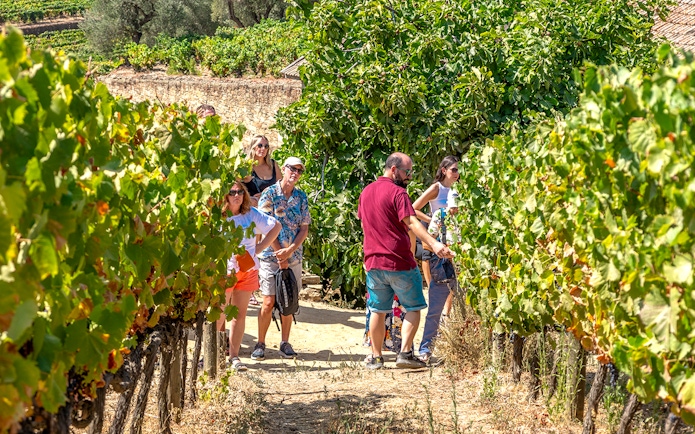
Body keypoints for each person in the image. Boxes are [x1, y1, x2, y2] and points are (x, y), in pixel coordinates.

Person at [358, 152, 454, 370]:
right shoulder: (398, 193)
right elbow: (412, 222)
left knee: (377, 310)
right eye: (407, 171)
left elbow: (364, 226)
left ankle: (376, 357)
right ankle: (405, 354)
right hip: (399, 260)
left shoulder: (366, 192)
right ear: (394, 170)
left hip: (373, 263)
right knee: (414, 307)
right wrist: (435, 243)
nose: (409, 176)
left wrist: (367, 254)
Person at [251, 156, 311, 360]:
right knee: (268, 301)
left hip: (293, 256)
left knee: (289, 302)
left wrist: (291, 249)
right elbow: (264, 226)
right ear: (283, 169)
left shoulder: (301, 197)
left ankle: (285, 342)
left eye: (299, 171)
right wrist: (280, 254)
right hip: (270, 256)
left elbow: (304, 228)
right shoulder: (268, 194)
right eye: (292, 169)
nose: (295, 173)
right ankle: (260, 343)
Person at [217, 181, 280, 371]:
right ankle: (211, 355)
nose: (236, 195)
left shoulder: (250, 214)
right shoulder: (218, 217)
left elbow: (275, 226)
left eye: (240, 192)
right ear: (225, 196)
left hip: (247, 271)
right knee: (218, 316)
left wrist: (260, 248)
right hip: (224, 271)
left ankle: (234, 357)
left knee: (240, 315)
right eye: (232, 192)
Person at [418, 186, 461, 364]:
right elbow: (427, 243)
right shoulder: (440, 216)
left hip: (467, 270)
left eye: (457, 207)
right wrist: (443, 250)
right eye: (452, 207)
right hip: (444, 267)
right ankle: (425, 350)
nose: (454, 211)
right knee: (434, 311)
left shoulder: (471, 218)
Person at [411, 156, 460, 287]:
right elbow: (413, 208)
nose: (457, 173)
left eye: (458, 170)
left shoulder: (458, 188)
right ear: (444, 170)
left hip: (453, 230)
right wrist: (432, 219)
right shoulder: (436, 188)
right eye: (453, 170)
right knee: (428, 257)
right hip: (436, 228)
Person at [243, 135, 283, 206]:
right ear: (253, 147)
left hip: (272, 208)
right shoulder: (246, 166)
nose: (263, 148)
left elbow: (281, 187)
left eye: (266, 146)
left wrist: (265, 194)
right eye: (260, 145)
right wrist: (250, 199)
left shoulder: (273, 165)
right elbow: (236, 189)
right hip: (252, 209)